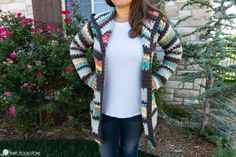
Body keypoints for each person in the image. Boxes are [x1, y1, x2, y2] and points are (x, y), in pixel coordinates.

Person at [69, 0, 183, 156]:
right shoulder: (98, 23)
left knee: (129, 152)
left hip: (137, 110)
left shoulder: (154, 23)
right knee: (107, 154)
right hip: (104, 110)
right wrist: (88, 77)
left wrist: (158, 79)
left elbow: (175, 50)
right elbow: (76, 48)